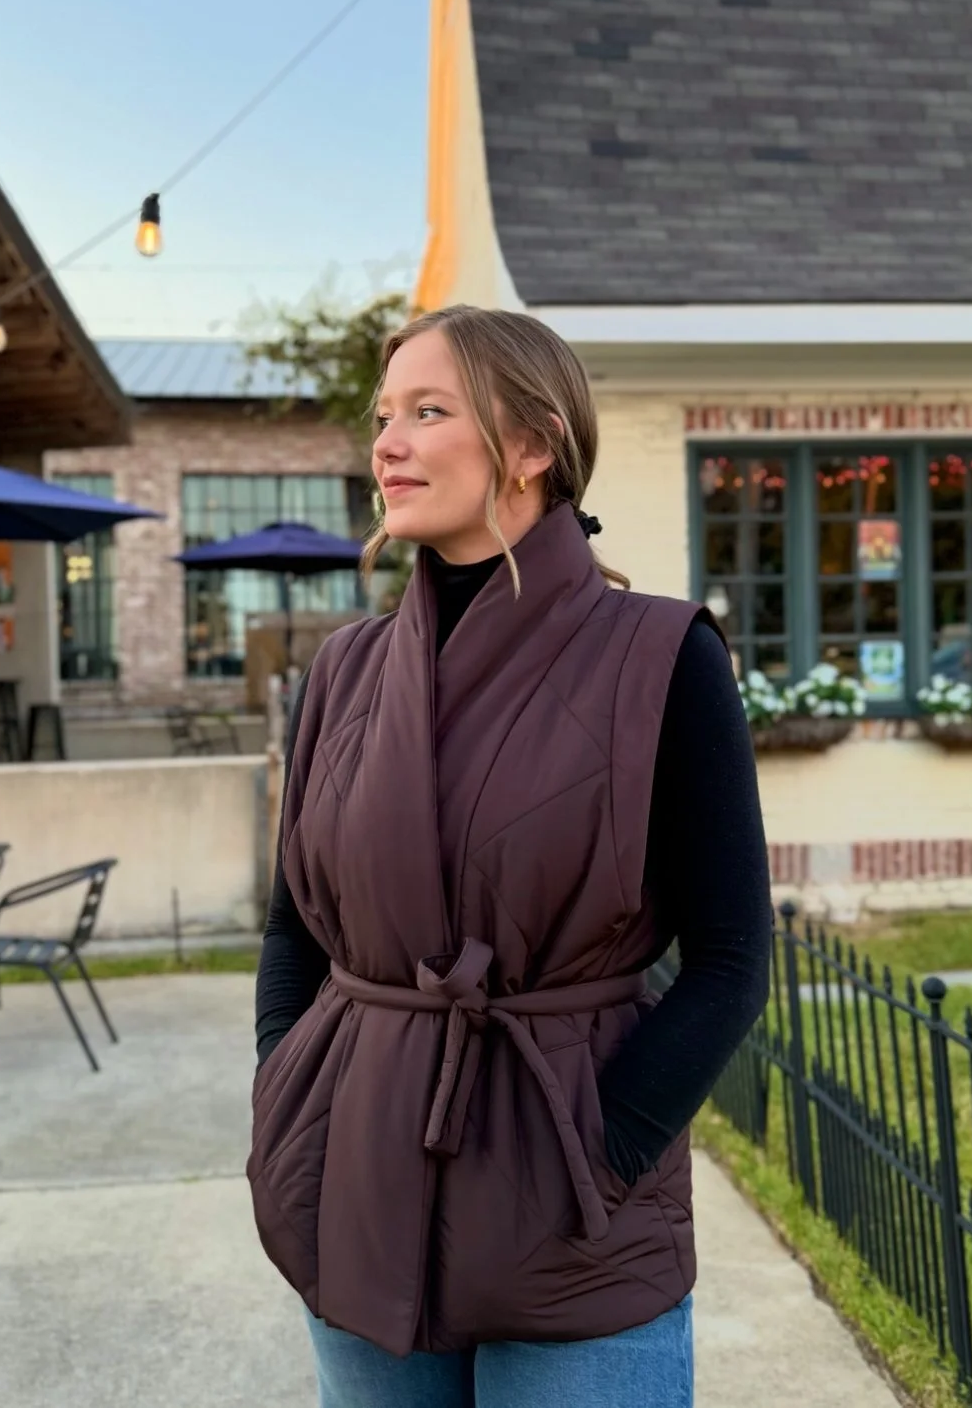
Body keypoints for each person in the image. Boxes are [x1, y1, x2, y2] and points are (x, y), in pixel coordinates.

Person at [249, 305, 771, 1408]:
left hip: (572, 1211)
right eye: (383, 414)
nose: (386, 441)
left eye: (427, 411)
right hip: (361, 1179)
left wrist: (603, 1149)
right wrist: (292, 1093)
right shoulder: (343, 674)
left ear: (533, 444)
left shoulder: (662, 658)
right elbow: (296, 917)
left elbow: (731, 957)